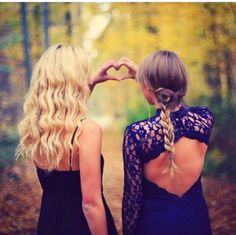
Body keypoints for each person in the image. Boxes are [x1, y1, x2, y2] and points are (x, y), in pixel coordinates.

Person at [15, 44, 119, 235]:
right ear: (76, 80)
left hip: (50, 223)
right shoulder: (87, 130)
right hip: (81, 226)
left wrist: (92, 83)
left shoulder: (37, 128)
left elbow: (67, 113)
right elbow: (90, 204)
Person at [121, 50, 214, 235]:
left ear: (146, 86)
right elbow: (181, 110)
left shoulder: (137, 134)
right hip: (196, 223)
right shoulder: (204, 119)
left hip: (154, 226)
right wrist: (148, 78)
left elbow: (132, 198)